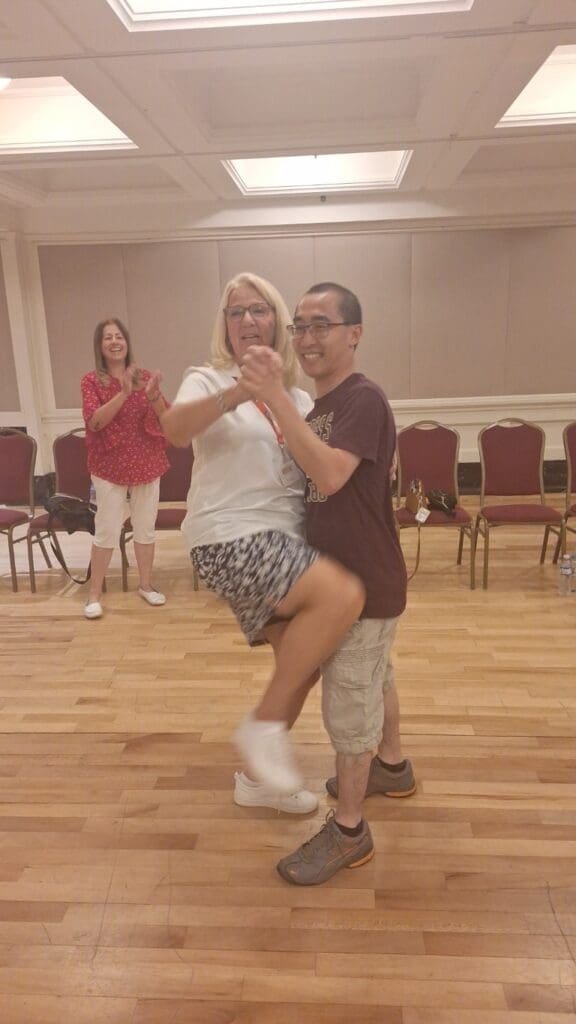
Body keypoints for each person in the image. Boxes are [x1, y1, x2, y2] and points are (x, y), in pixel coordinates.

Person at [159, 273, 365, 812]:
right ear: (225, 326)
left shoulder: (296, 396)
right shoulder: (207, 377)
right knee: (342, 596)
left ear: (278, 323)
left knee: (302, 662)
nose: (248, 320)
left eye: (259, 310)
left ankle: (254, 782)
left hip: (284, 538)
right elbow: (175, 429)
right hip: (229, 533)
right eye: (236, 312)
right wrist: (238, 392)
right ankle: (262, 726)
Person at [241, 282, 415, 886]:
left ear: (354, 333)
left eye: (322, 325)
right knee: (376, 676)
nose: (307, 338)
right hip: (339, 580)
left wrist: (275, 400)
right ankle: (392, 765)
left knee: (349, 708)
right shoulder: (319, 409)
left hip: (364, 586)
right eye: (301, 326)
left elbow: (331, 475)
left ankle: (349, 830)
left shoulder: (363, 398)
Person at [81, 317, 170, 620]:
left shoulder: (143, 377)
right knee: (107, 530)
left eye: (119, 336)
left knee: (145, 528)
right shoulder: (91, 381)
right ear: (100, 345)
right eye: (108, 337)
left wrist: (152, 394)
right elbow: (95, 422)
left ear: (127, 342)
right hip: (109, 467)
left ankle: (145, 585)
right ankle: (94, 594)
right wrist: (124, 392)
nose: (115, 342)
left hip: (146, 462)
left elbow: (165, 416)